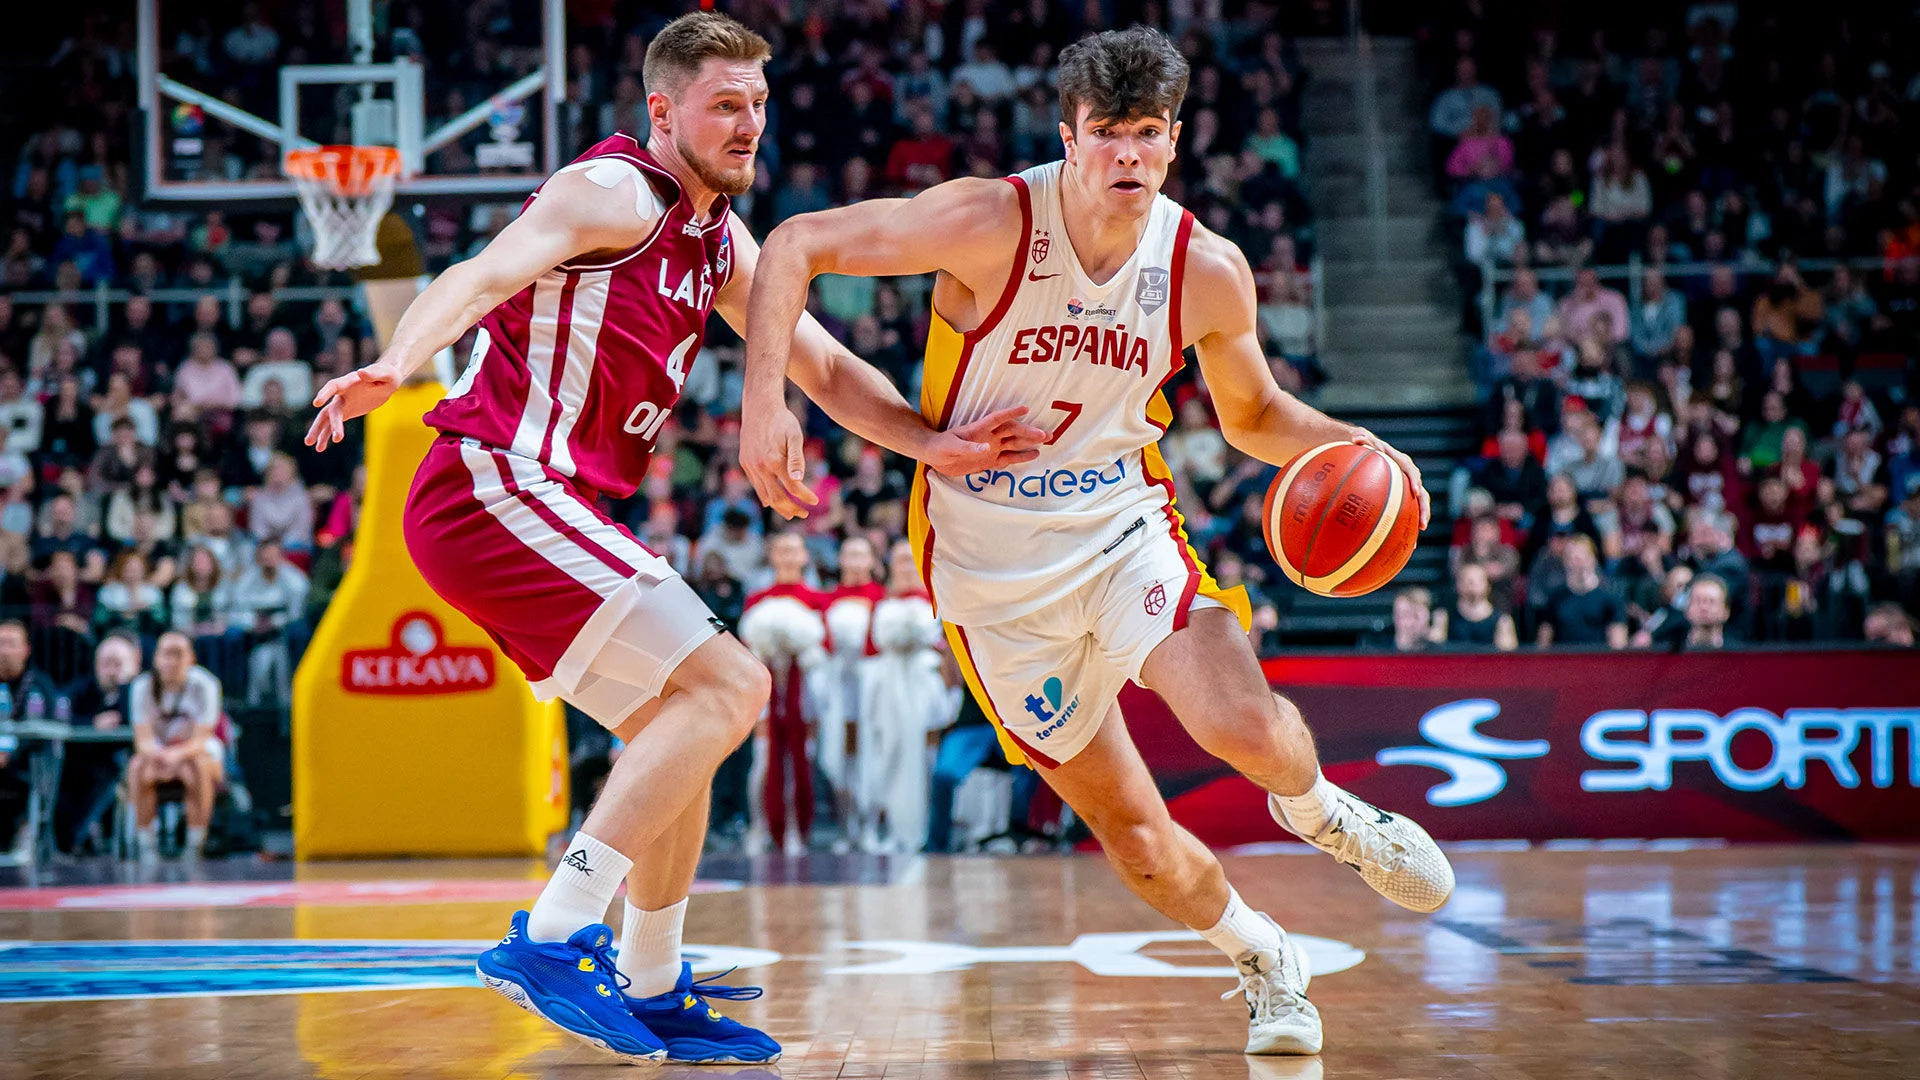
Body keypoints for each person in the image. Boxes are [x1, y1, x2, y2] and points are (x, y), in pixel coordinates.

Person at [301, 12, 1039, 1066]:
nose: (750, 126)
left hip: (535, 503)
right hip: (491, 479)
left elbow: (825, 369)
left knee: (685, 726)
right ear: (664, 110)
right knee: (736, 686)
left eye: (759, 105)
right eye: (726, 105)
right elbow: (481, 273)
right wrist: (398, 361)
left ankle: (649, 983)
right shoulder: (609, 194)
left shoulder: (717, 239)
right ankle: (555, 934)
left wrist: (936, 446)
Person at [741, 27, 1452, 1057]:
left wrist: (1360, 442)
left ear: (1175, 142)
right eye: (1107, 133)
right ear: (1069, 139)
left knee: (1243, 726)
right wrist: (769, 406)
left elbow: (1252, 417)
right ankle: (1263, 957)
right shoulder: (991, 221)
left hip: (1123, 525)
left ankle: (1328, 814)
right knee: (1137, 840)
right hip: (988, 574)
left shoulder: (1204, 268)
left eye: (1147, 134)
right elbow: (797, 242)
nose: (1127, 154)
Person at [126, 631, 224, 859]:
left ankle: (195, 842)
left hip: (194, 751)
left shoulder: (206, 685)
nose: (171, 661)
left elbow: (202, 738)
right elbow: (143, 740)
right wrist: (164, 756)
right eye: (165, 654)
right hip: (159, 754)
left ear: (191, 658)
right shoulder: (142, 687)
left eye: (178, 654)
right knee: (137, 767)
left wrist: (176, 756)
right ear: (155, 658)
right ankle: (146, 843)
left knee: (197, 766)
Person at [54, 632, 139, 853]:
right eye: (105, 664)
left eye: (117, 664)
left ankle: (77, 838)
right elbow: (59, 714)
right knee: (59, 777)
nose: (111, 671)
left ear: (133, 666)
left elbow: (137, 720)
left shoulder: (139, 691)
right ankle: (62, 841)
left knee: (108, 776)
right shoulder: (82, 688)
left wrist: (124, 686)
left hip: (117, 762)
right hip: (80, 760)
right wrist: (92, 722)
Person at [0, 620, 59, 854]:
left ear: (26, 650)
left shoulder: (39, 685)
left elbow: (44, 728)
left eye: (11, 644)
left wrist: (9, 753)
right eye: (0, 643)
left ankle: (26, 835)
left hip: (24, 765)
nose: (4, 650)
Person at [1535, 536, 1628, 649]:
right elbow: (1544, 642)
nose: (1579, 564)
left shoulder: (1611, 597)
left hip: (1598, 662)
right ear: (1565, 561)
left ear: (1593, 559)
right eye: (1573, 558)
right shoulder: (1555, 598)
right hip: (1564, 662)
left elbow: (1618, 644)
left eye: (1583, 558)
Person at [1434, 562, 1518, 650]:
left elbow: (1507, 657)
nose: (1472, 585)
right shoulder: (1443, 617)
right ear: (1457, 585)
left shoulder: (1503, 621)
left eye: (1478, 580)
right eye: (1466, 580)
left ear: (1488, 586)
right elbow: (1434, 650)